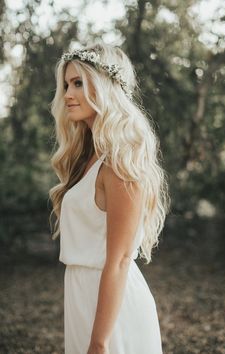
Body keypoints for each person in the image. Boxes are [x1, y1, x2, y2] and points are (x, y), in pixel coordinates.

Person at [49, 42, 171, 354]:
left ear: (104, 86)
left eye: (78, 83)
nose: (67, 95)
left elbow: (118, 260)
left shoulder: (120, 163)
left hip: (113, 311)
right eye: (66, 85)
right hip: (81, 295)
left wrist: (99, 342)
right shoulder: (89, 157)